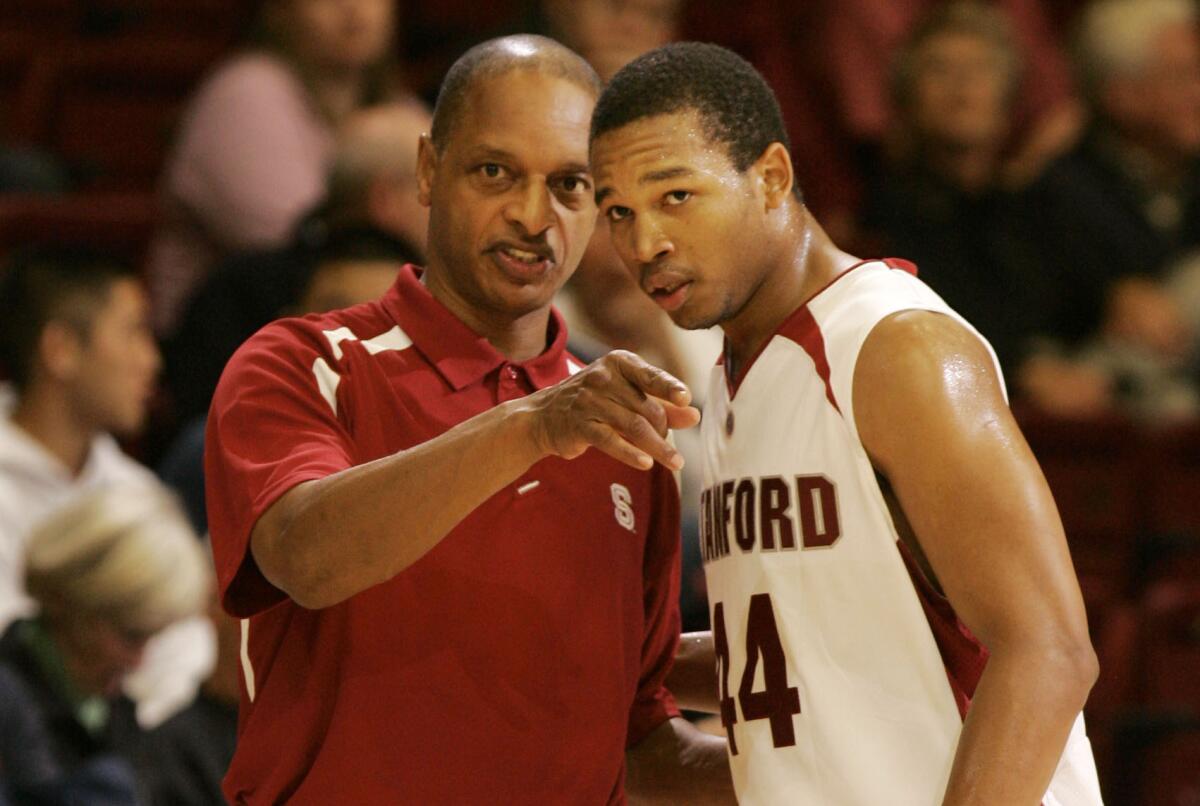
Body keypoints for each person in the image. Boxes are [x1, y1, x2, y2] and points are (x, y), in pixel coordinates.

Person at [205, 34, 731, 804]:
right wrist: (531, 427)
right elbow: (304, 558)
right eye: (495, 172)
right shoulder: (306, 362)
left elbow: (639, 738)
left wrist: (836, 775)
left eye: (569, 185)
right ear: (427, 170)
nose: (530, 215)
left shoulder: (620, 428)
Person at [591, 42, 1102, 804]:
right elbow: (801, 652)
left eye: (676, 197)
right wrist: (606, 660)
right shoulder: (732, 379)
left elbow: (1048, 650)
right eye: (617, 213)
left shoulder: (894, 347)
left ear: (770, 177)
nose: (645, 243)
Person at [0, 245, 214, 731]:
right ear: (61, 350)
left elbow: (181, 658)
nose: (151, 361)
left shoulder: (138, 493)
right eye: (133, 332)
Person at [146, 0, 410, 336]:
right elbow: (308, 243)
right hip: (227, 348)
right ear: (279, 9)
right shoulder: (244, 93)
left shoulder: (396, 103)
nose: (354, 7)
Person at [1023, 0, 1200, 416]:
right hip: (1103, 390)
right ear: (1122, 96)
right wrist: (1106, 296)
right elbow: (1034, 318)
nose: (1199, 93)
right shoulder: (1061, 190)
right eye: (1182, 77)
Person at [0, 486, 210, 803]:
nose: (139, 662)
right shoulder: (9, 707)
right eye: (131, 635)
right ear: (67, 601)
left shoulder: (118, 716)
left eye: (153, 637)